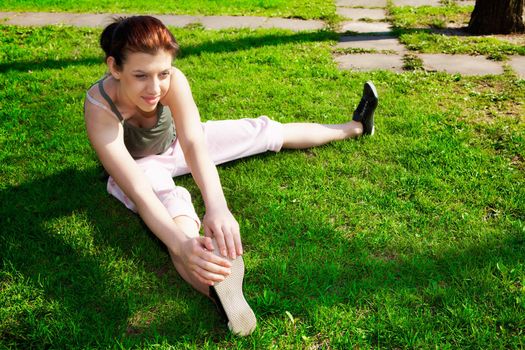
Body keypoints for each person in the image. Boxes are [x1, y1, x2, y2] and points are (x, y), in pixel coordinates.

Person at [84, 15, 378, 336]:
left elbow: (195, 143)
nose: (155, 88)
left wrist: (218, 207)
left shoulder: (174, 81)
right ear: (115, 68)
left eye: (163, 73)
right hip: (140, 166)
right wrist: (180, 244)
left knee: (262, 131)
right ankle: (217, 289)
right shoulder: (100, 106)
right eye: (140, 75)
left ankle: (356, 126)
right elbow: (138, 188)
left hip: (178, 144)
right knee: (172, 204)